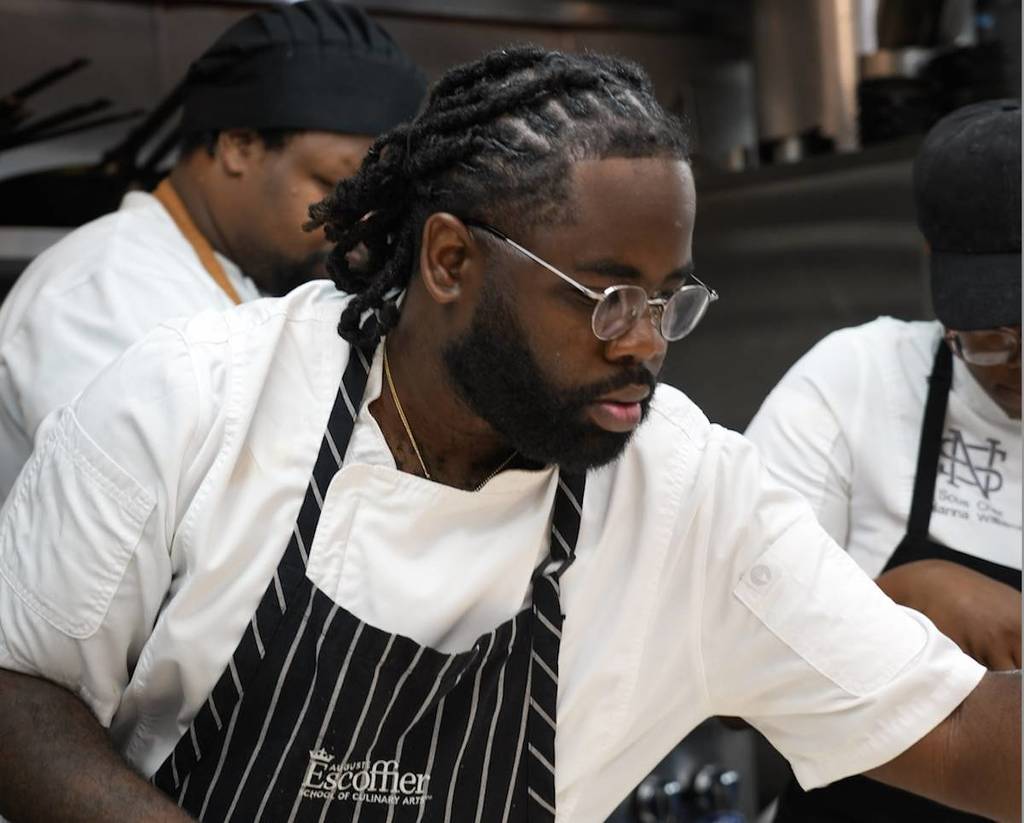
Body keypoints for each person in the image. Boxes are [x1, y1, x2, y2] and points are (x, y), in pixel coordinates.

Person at [0, 48, 1018, 823]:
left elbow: (963, 731)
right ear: (450, 260)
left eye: (668, 300)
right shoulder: (196, 400)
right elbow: (20, 687)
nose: (646, 347)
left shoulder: (690, 495)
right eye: (609, 296)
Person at [0, 0, 425, 499]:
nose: (360, 223)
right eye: (333, 183)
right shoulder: (104, 290)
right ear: (238, 146)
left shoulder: (237, 279)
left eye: (376, 199)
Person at [746, 99, 1021, 822]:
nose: (1021, 367)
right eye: (992, 336)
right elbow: (723, 677)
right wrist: (899, 598)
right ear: (937, 269)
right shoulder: (855, 383)